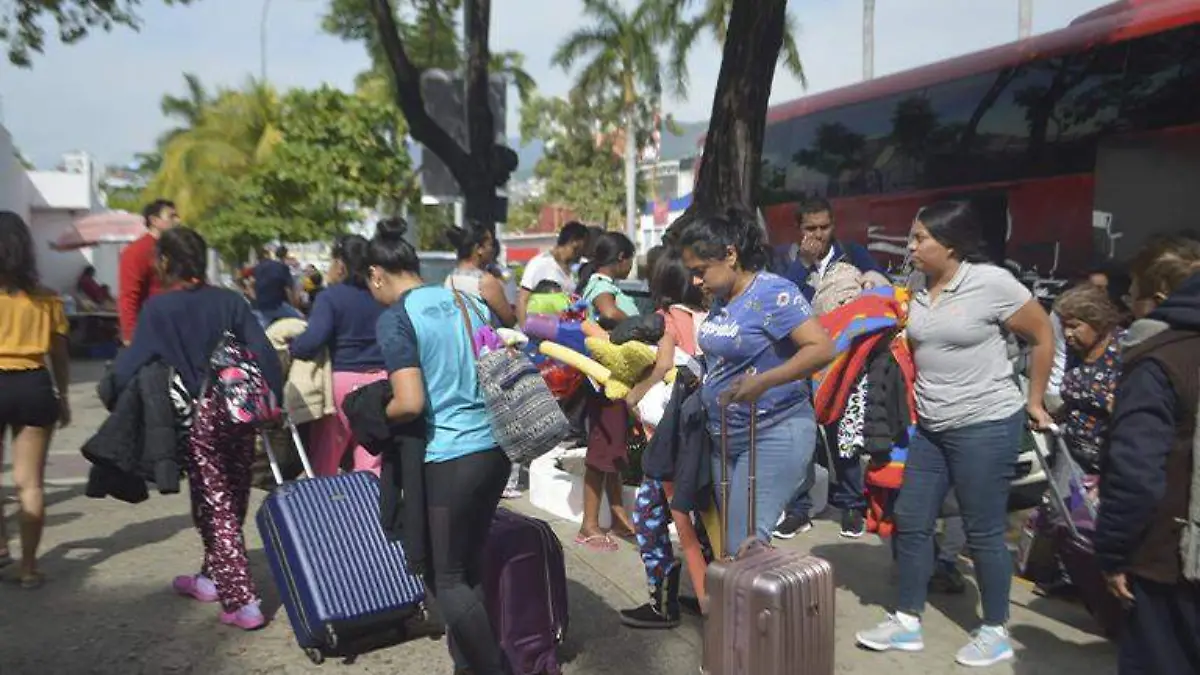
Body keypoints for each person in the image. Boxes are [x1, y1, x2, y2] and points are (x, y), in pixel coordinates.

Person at [855, 201, 1054, 668]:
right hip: (932, 427)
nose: (911, 246)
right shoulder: (919, 286)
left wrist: (1036, 400)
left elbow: (1043, 335)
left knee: (983, 529)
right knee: (911, 517)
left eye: (920, 238)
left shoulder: (992, 284)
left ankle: (995, 629)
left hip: (986, 424)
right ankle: (906, 621)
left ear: (952, 243)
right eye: (912, 237)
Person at [113, 227, 283, 630]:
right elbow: (264, 353)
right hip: (240, 410)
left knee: (214, 501)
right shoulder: (231, 301)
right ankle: (210, 576)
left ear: (167, 262)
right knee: (232, 493)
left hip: (199, 415)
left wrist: (116, 393)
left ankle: (243, 601)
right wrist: (272, 398)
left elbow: (131, 363)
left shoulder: (159, 310)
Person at [368, 217, 511, 675]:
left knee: (446, 579)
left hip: (450, 458)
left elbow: (410, 402)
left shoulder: (395, 319)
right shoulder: (466, 300)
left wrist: (371, 414)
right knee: (467, 570)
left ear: (377, 274)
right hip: (495, 451)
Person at [679, 206, 835, 547]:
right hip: (725, 439)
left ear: (730, 255)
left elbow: (822, 348)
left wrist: (763, 382)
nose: (695, 280)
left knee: (743, 547)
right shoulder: (722, 299)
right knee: (733, 548)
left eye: (700, 270)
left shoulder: (772, 293)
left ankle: (760, 601)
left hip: (771, 434)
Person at [1095, 235, 1200, 675]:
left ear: (1155, 299)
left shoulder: (1158, 360)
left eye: (1130, 293)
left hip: (1170, 559)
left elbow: (1136, 473)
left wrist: (1114, 553)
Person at [773, 197, 887, 540]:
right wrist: (803, 264)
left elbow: (878, 290)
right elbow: (781, 302)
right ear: (799, 229)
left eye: (824, 227)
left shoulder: (852, 254)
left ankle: (852, 506)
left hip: (844, 363)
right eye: (811, 228)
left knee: (844, 437)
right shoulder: (787, 262)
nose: (818, 234)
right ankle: (798, 509)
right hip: (800, 363)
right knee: (801, 439)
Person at [620, 246, 712, 627]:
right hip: (703, 434)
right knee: (701, 517)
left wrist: (632, 395)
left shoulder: (667, 319)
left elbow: (661, 366)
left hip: (668, 438)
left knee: (650, 516)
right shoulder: (713, 315)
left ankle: (665, 603)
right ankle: (712, 593)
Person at [0, 211, 70, 589]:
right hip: (33, 383)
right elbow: (59, 354)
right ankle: (28, 568)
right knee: (31, 484)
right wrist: (63, 396)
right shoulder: (47, 298)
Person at [289, 235, 387, 476]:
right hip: (381, 382)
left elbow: (312, 340)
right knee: (371, 459)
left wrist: (294, 346)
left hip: (341, 383)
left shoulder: (330, 297)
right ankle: (368, 510)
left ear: (341, 264)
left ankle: (326, 509)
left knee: (327, 456)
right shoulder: (382, 295)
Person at [575, 231, 640, 552]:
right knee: (601, 450)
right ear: (621, 259)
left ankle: (617, 516)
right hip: (606, 379)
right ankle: (588, 524)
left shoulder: (598, 283)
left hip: (612, 378)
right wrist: (642, 326)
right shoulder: (601, 287)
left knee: (613, 448)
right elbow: (610, 313)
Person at [1052, 283, 1125, 474]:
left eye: (1074, 326)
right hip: (1072, 453)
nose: (1067, 334)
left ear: (1097, 322)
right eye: (1064, 326)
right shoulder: (1076, 350)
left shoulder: (1124, 351)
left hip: (1109, 462)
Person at [118, 199, 178, 344]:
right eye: (171, 216)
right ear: (154, 220)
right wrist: (129, 336)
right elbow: (128, 295)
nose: (177, 221)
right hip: (151, 329)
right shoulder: (137, 251)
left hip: (177, 327)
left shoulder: (176, 249)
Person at [515, 221, 589, 326]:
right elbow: (522, 300)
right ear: (575, 242)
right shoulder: (539, 263)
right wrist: (525, 331)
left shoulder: (578, 267)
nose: (585, 251)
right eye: (585, 245)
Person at [444, 222, 516, 328]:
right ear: (479, 249)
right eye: (490, 245)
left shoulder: (450, 279)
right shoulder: (485, 281)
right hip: (483, 342)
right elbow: (510, 320)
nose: (492, 249)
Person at [251, 246, 302, 327]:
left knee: (263, 328)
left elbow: (252, 283)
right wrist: (294, 305)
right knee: (300, 320)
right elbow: (289, 289)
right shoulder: (281, 267)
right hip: (276, 305)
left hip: (261, 305)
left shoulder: (257, 268)